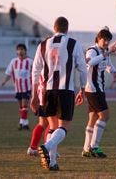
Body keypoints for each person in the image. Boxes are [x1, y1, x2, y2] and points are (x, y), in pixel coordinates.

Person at [30, 16, 87, 171]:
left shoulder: (43, 44)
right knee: (64, 127)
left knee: (53, 127)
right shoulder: (73, 44)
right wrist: (82, 89)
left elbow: (35, 71)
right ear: (67, 28)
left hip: (48, 91)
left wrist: (34, 95)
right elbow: (82, 68)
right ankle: (46, 148)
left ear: (54, 28)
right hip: (65, 90)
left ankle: (52, 163)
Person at [81, 27, 116, 158]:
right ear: (98, 39)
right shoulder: (92, 50)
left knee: (93, 118)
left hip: (98, 89)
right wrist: (107, 53)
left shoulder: (104, 52)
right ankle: (94, 147)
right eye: (105, 40)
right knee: (105, 115)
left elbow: (107, 64)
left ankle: (86, 149)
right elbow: (90, 62)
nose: (107, 42)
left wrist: (113, 72)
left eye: (108, 40)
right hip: (92, 89)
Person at [1, 43, 33, 130]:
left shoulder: (30, 61)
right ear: (16, 51)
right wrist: (4, 81)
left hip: (27, 88)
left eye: (22, 49)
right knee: (21, 107)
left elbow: (35, 73)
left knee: (24, 105)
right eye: (19, 49)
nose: (20, 51)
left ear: (25, 51)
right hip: (18, 88)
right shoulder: (13, 61)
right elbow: (9, 73)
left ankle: (21, 123)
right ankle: (25, 123)